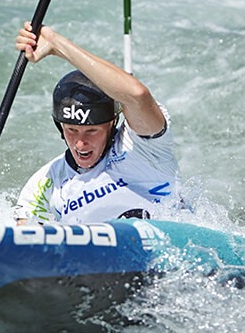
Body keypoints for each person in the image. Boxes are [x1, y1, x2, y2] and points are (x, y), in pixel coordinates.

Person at [13, 22, 180, 225]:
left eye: (92, 131)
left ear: (112, 123)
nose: (80, 143)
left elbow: (137, 95)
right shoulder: (46, 182)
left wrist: (56, 43)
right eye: (72, 130)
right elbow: (26, 241)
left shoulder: (143, 146)